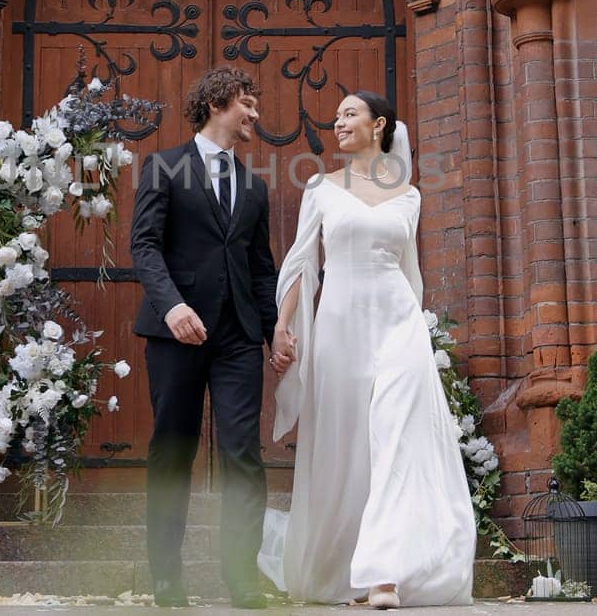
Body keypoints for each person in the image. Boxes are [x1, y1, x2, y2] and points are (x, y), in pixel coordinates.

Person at [259, 91, 475, 608]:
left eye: (349, 114)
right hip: (340, 325)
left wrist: (420, 335)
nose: (338, 123)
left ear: (379, 125)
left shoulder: (409, 196)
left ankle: (384, 576)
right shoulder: (322, 188)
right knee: (349, 445)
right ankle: (343, 565)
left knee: (397, 437)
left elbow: (412, 274)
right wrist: (283, 327)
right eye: (336, 117)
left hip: (398, 322)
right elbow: (301, 262)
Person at [130, 66, 287, 609]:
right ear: (219, 102)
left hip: (238, 337)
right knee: (172, 450)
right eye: (248, 101)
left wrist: (275, 333)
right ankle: (166, 578)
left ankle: (243, 577)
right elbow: (145, 247)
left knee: (244, 452)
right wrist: (171, 306)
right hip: (176, 336)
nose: (255, 113)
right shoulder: (162, 167)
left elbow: (261, 268)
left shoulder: (254, 186)